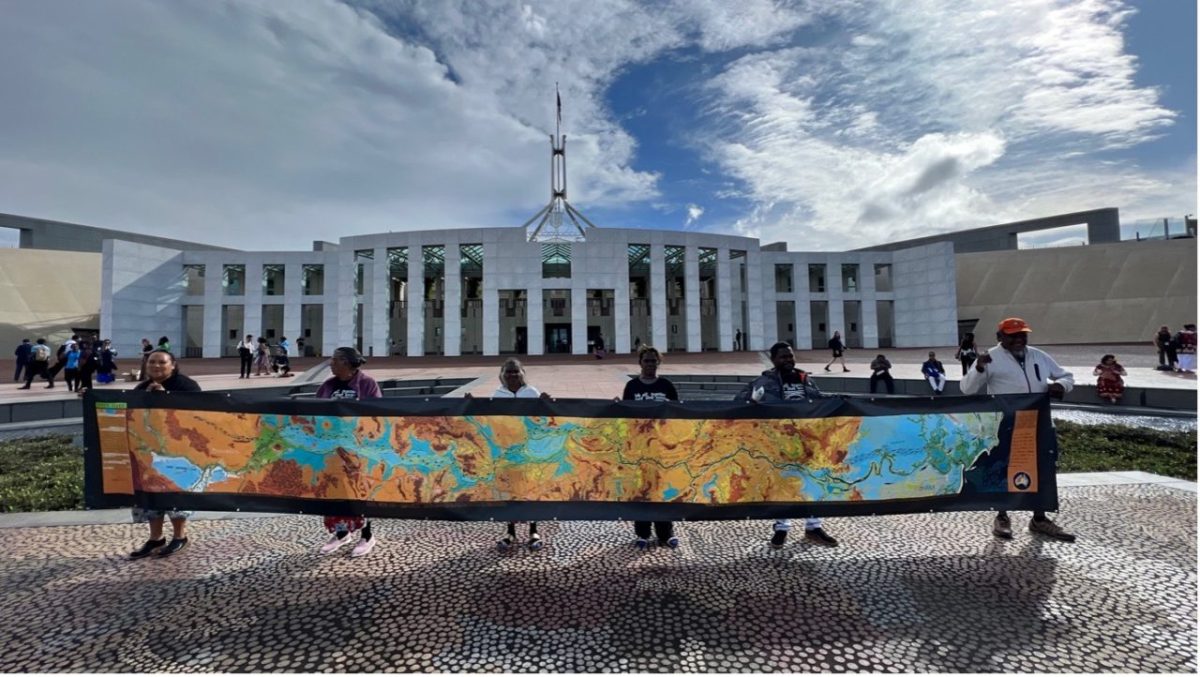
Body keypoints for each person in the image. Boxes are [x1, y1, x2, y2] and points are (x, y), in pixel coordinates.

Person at [960, 317, 1076, 542]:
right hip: (1007, 424)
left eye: (1022, 334)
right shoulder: (990, 358)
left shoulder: (1038, 356)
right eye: (1013, 335)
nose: (1019, 339)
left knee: (1043, 468)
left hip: (1039, 423)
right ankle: (1002, 517)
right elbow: (967, 389)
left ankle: (1039, 518)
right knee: (1003, 469)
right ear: (1000, 337)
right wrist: (980, 367)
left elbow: (1066, 376)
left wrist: (1061, 386)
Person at [736, 341, 839, 549]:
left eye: (790, 356)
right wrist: (753, 401)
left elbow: (818, 401)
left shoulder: (804, 378)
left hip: (806, 439)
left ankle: (814, 526)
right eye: (783, 357)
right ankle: (781, 527)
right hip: (778, 442)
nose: (788, 360)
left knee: (811, 483)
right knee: (782, 485)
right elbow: (739, 401)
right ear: (774, 359)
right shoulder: (764, 381)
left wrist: (838, 402)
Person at [128, 350, 202, 559]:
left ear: (173, 365)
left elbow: (199, 414)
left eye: (162, 362)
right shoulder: (142, 388)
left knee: (175, 495)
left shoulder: (186, 386)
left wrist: (166, 398)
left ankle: (180, 536)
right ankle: (156, 538)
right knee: (151, 496)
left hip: (178, 453)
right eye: (152, 362)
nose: (156, 366)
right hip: (149, 453)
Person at [315, 346, 383, 557]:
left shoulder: (367, 384)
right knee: (334, 492)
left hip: (358, 451)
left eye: (335, 360)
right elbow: (314, 412)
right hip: (333, 451)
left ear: (345, 363)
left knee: (360, 492)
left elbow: (377, 415)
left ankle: (367, 535)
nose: (331, 364)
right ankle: (341, 533)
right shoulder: (327, 386)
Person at [622, 345, 681, 549]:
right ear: (640, 363)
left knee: (663, 490)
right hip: (640, 447)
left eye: (653, 361)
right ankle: (642, 533)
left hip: (662, 447)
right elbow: (625, 415)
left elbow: (678, 414)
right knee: (643, 490)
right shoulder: (632, 387)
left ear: (659, 363)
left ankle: (666, 532)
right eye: (646, 361)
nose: (650, 364)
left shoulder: (667, 386)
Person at [489, 358, 550, 551]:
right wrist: (469, 404)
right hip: (507, 451)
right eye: (508, 371)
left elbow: (544, 419)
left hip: (530, 450)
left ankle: (533, 530)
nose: (512, 375)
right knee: (510, 491)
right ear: (502, 374)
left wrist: (547, 404)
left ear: (522, 373)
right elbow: (488, 421)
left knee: (531, 489)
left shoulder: (532, 393)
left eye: (516, 371)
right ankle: (510, 531)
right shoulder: (497, 395)